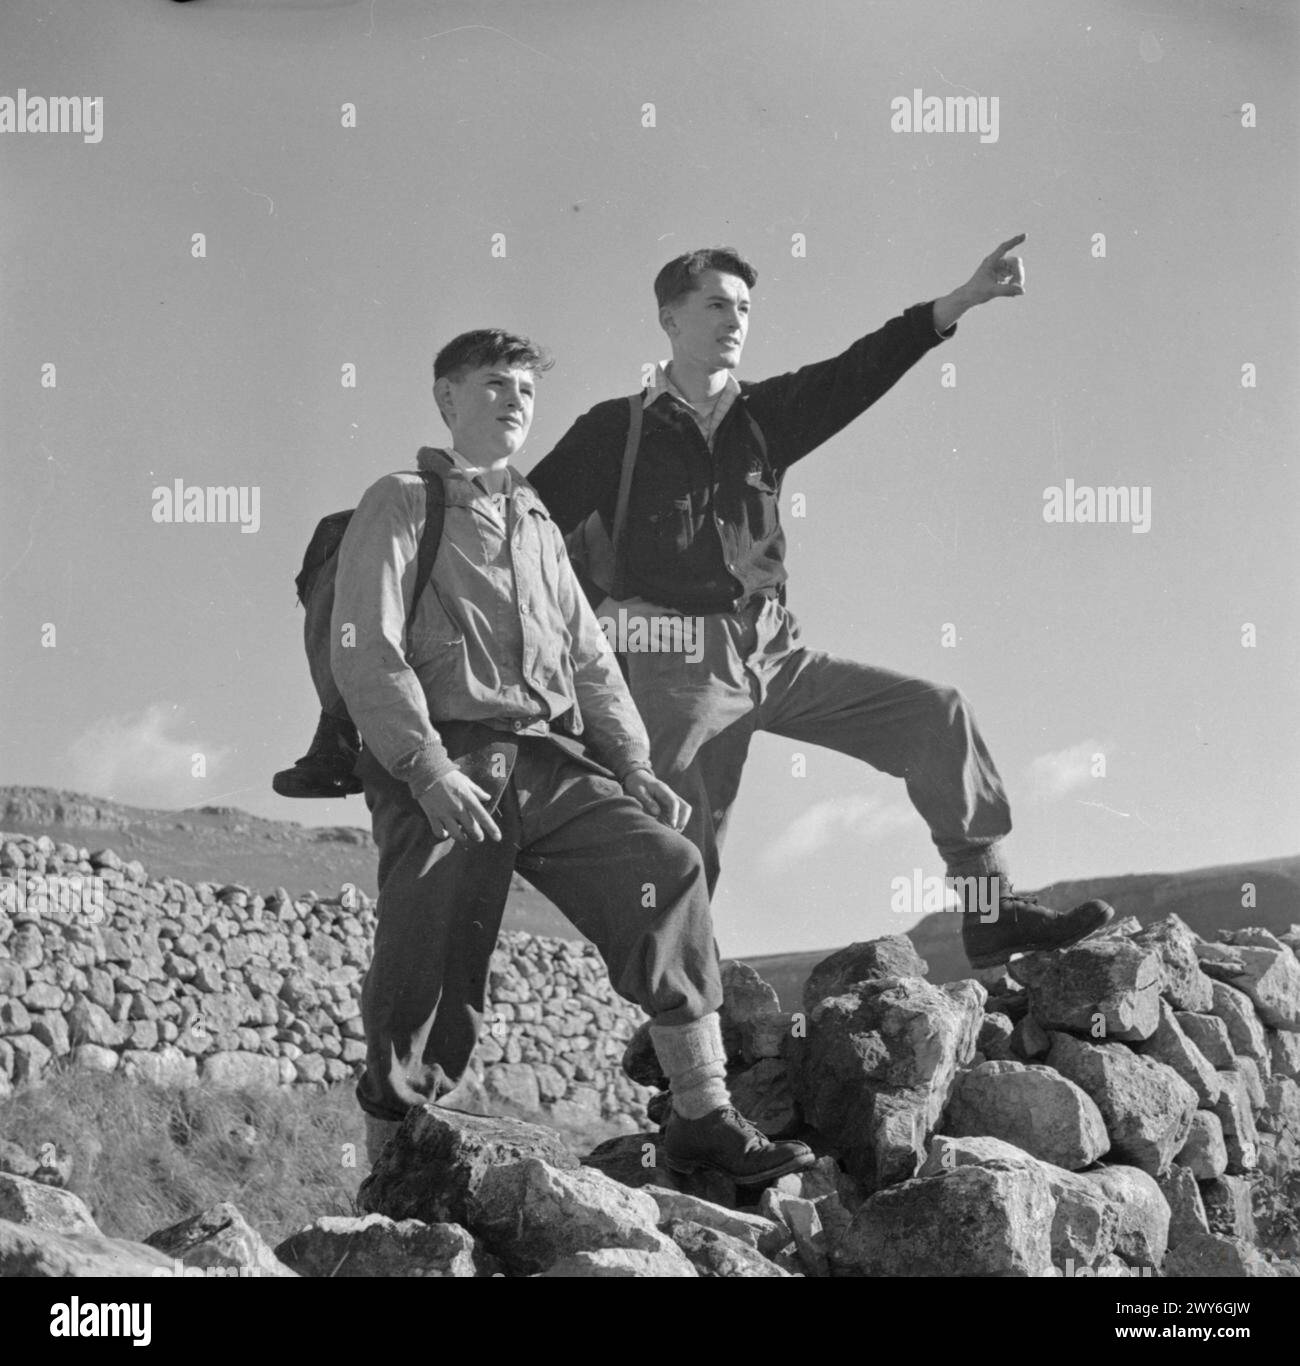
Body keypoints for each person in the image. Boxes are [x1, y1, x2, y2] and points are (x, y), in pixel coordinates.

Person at [526, 241, 1114, 970]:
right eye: (715, 304)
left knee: (935, 714)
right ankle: (683, 1014)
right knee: (678, 845)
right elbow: (530, 531)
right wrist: (595, 619)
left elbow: (857, 371)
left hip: (776, 651)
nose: (733, 320)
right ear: (668, 318)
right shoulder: (613, 430)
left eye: (743, 307)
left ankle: (990, 914)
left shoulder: (763, 416)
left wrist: (957, 303)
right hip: (674, 662)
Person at [331, 327, 814, 1182]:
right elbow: (364, 641)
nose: (513, 400)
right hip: (447, 761)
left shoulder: (539, 522)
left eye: (523, 388)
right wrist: (425, 766)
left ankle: (701, 1109)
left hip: (548, 759)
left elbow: (591, 659)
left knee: (665, 865)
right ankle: (394, 1163)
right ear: (445, 399)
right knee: (430, 956)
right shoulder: (402, 500)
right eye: (490, 385)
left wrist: (632, 764)